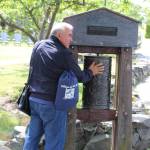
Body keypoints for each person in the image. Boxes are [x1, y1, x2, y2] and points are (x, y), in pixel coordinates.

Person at [23, 22, 104, 150]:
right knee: (54, 144)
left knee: (31, 139)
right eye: (69, 35)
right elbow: (80, 77)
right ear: (59, 35)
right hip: (52, 105)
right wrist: (91, 72)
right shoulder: (63, 53)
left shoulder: (38, 45)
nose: (71, 39)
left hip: (34, 100)